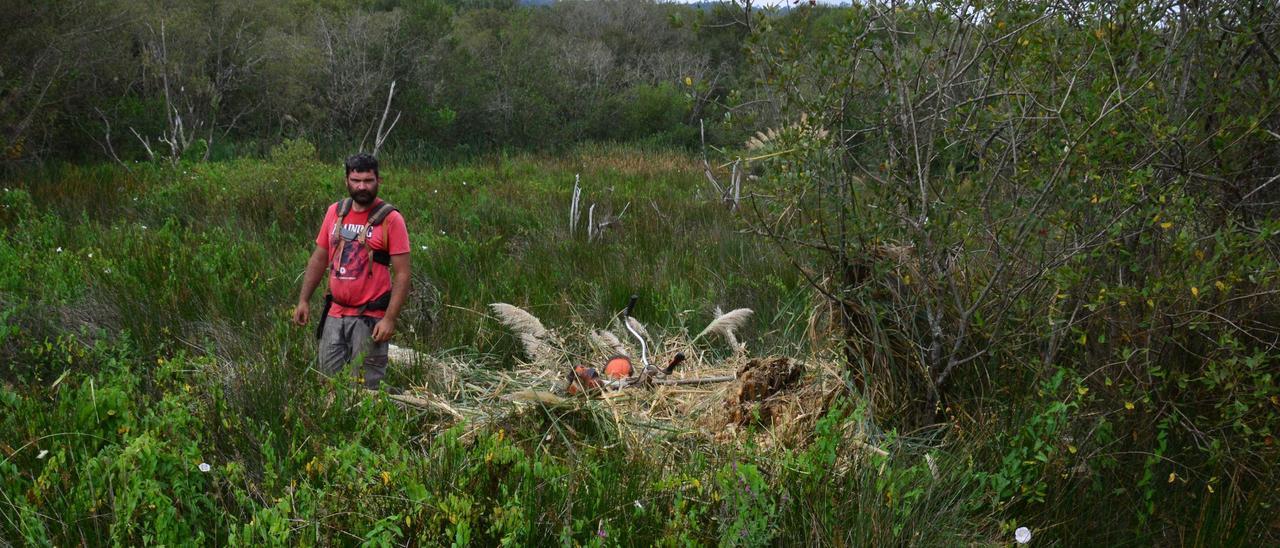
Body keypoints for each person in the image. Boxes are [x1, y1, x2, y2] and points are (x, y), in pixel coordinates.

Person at [292, 152, 410, 390]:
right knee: (327, 384)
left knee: (367, 388)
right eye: (356, 181)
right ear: (347, 181)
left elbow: (403, 274)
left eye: (368, 180)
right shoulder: (335, 212)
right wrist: (303, 300)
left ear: (379, 181)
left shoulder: (391, 219)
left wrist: (389, 319)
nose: (362, 186)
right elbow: (319, 258)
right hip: (335, 314)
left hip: (370, 318)